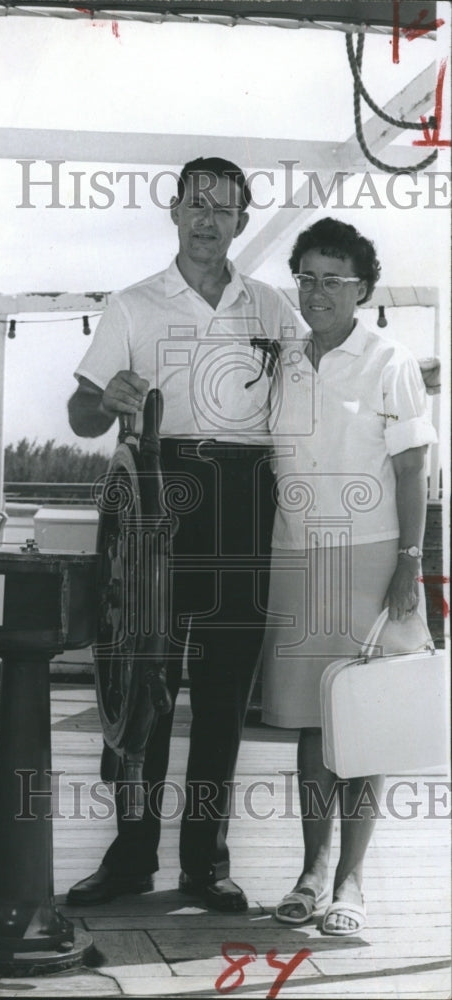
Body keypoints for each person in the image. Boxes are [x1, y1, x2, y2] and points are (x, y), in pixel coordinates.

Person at [66, 156, 304, 912]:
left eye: (224, 208)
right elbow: (80, 417)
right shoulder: (131, 305)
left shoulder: (273, 309)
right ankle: (132, 856)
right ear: (172, 211)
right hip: (158, 495)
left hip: (247, 497)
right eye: (195, 204)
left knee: (226, 690)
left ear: (241, 220)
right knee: (143, 687)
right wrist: (106, 399)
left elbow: (318, 397)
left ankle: (205, 864)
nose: (208, 219)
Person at [261, 217, 436, 935]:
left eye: (332, 280)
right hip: (300, 558)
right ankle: (309, 870)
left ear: (361, 290)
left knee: (369, 724)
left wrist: (408, 565)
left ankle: (350, 883)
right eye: (305, 276)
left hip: (372, 557)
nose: (316, 291)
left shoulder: (386, 357)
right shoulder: (284, 358)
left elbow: (410, 467)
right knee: (312, 725)